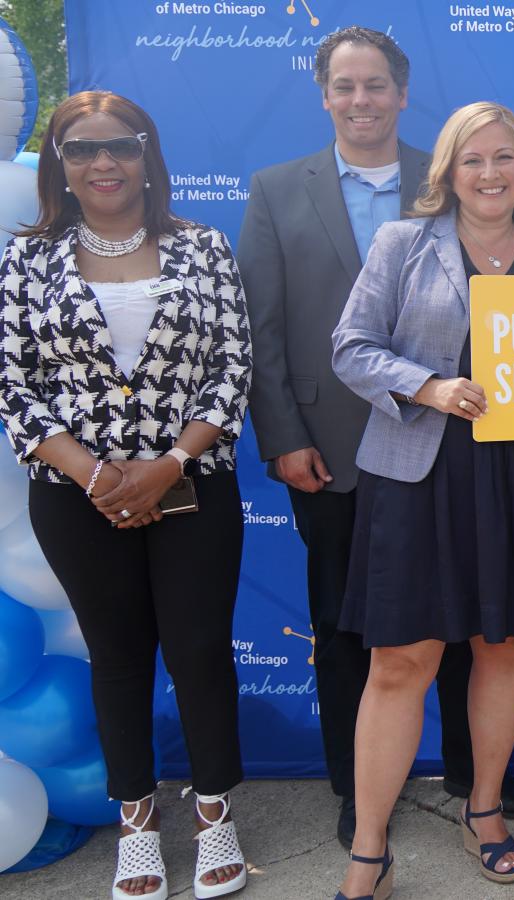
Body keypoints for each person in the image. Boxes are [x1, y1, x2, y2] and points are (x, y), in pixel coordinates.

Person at [237, 26, 514, 851]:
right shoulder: (276, 189)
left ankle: (472, 779)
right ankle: (358, 792)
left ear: (403, 94)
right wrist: (283, 436)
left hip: (490, 458)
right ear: (326, 94)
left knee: (477, 628)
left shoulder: (458, 189)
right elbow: (266, 326)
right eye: (346, 86)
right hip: (339, 451)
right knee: (356, 634)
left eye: (377, 85)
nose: (362, 99)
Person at [328, 101, 514, 898]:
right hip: (421, 477)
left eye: (505, 160)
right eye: (473, 161)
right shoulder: (402, 244)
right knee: (401, 661)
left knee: (506, 648)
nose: (490, 175)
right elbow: (350, 349)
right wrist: (427, 384)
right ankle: (372, 845)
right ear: (447, 173)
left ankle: (484, 810)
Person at [0, 91, 251, 900]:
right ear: (61, 168)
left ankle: (215, 812)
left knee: (201, 652)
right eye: (80, 149)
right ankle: (136, 823)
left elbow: (231, 368)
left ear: (147, 153)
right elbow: (14, 380)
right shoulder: (25, 259)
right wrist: (98, 476)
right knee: (117, 657)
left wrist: (168, 463)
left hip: (192, 485)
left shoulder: (206, 248)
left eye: (119, 145)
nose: (101, 162)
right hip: (78, 496)